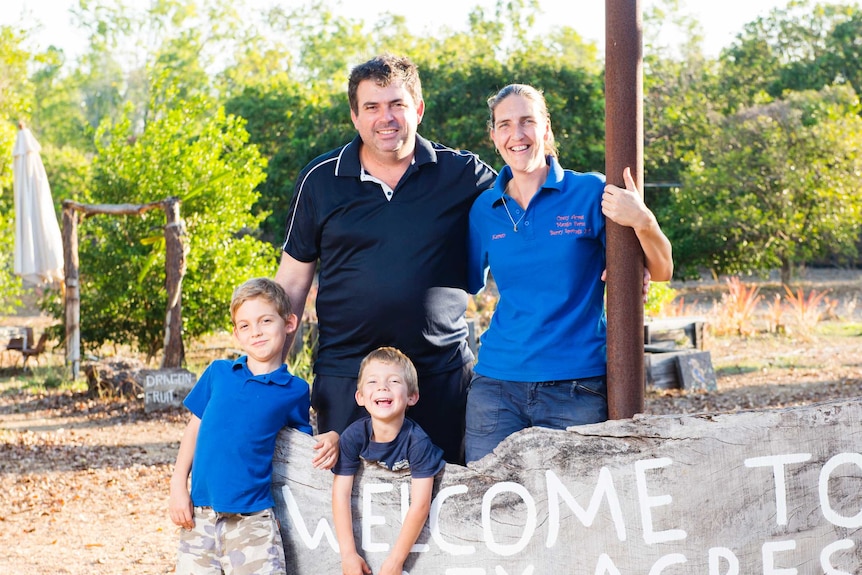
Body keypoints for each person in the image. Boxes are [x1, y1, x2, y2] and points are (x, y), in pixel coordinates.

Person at [275, 54, 497, 465]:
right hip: (347, 379)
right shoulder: (320, 180)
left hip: (439, 375)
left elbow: (532, 204)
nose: (386, 118)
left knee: (442, 503)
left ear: (419, 109)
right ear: (355, 116)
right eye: (373, 107)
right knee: (349, 502)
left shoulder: (462, 173)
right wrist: (270, 374)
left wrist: (623, 252)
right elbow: (291, 284)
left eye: (397, 104)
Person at [464, 84, 673, 463]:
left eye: (528, 121)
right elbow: (460, 283)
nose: (518, 135)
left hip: (576, 387)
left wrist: (643, 220)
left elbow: (661, 269)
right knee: (489, 509)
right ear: (494, 136)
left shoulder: (589, 192)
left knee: (581, 509)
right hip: (496, 386)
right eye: (505, 125)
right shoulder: (484, 209)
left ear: (546, 129)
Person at [168, 277, 339, 574]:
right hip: (200, 515)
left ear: (288, 323)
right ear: (236, 333)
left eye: (265, 321)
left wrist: (334, 437)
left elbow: (300, 449)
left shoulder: (295, 389)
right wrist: (177, 486)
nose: (256, 332)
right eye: (245, 325)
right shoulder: (218, 373)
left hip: (253, 518)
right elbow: (194, 429)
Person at [331, 346, 444, 575]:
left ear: (412, 396)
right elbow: (341, 494)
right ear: (360, 397)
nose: (382, 386)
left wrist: (395, 561)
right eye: (372, 381)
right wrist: (348, 554)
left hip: (403, 532)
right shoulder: (353, 436)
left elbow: (421, 504)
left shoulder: (418, 442)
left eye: (393, 381)